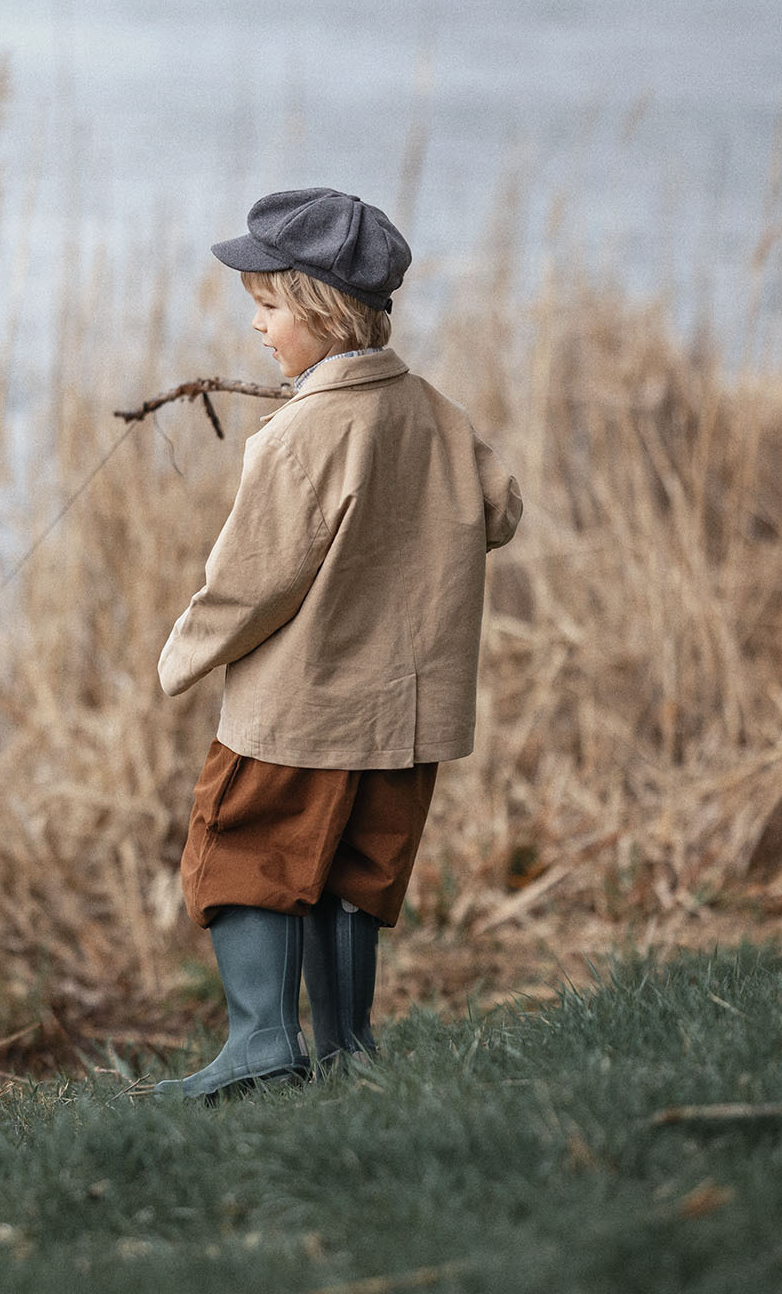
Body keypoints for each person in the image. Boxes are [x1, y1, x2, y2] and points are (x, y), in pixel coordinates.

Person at [154, 188, 522, 1100]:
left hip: (301, 710)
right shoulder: (435, 413)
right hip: (406, 716)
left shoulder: (301, 434)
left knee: (246, 846)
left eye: (269, 306)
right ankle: (348, 1048)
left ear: (321, 310)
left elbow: (254, 578)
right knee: (358, 868)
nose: (255, 326)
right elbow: (502, 510)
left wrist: (182, 655)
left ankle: (264, 1045)